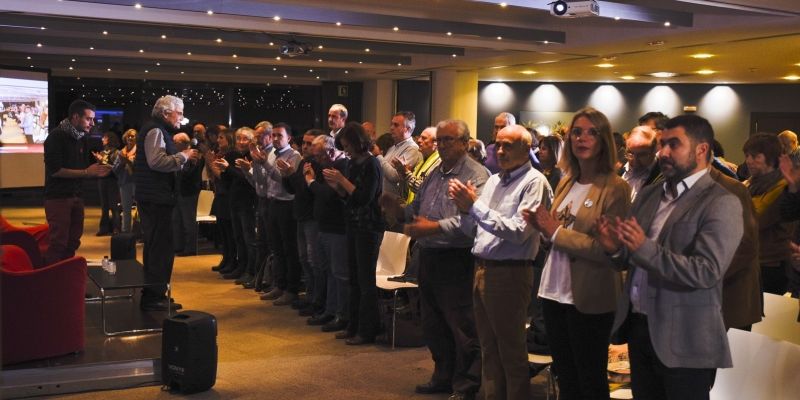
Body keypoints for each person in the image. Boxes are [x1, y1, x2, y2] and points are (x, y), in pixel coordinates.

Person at [598, 114, 743, 400]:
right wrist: (614, 248)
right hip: (641, 327)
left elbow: (706, 271)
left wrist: (643, 248)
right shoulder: (651, 194)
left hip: (685, 337)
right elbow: (628, 258)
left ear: (701, 149)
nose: (662, 152)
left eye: (673, 144)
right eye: (661, 144)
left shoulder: (721, 201)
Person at [524, 108, 630, 400]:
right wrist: (543, 230)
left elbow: (607, 250)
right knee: (566, 375)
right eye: (577, 132)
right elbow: (557, 232)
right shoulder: (567, 180)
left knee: (589, 378)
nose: (582, 138)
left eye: (591, 132)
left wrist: (556, 231)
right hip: (554, 289)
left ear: (603, 140)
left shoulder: (615, 187)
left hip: (588, 294)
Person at [388, 119, 488, 400]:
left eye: (448, 140)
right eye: (439, 140)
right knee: (433, 323)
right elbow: (417, 209)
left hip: (457, 258)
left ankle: (467, 384)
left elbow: (472, 221)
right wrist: (398, 211)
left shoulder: (476, 175)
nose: (441, 145)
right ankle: (442, 376)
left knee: (462, 325)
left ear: (465, 143)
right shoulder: (434, 174)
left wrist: (434, 227)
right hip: (429, 255)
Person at [450, 124, 552, 400]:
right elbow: (474, 230)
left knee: (511, 351)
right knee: (488, 349)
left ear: (526, 149)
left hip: (510, 273)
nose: (501, 151)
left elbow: (519, 232)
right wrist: (464, 211)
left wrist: (475, 206)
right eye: (498, 145)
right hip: (482, 268)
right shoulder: (494, 180)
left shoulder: (534, 182)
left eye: (509, 145)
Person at [322, 122, 385, 345]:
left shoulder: (372, 164)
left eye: (348, 145)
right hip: (353, 224)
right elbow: (349, 199)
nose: (346, 150)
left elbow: (364, 198)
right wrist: (338, 187)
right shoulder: (352, 164)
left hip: (368, 227)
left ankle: (367, 331)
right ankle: (353, 325)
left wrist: (342, 182)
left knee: (366, 282)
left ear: (358, 142)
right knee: (353, 279)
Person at [134, 95, 198, 312]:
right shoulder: (156, 131)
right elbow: (157, 162)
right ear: (165, 113)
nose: (181, 117)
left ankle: (155, 293)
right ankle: (154, 296)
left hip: (153, 197)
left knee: (156, 247)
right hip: (156, 198)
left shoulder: (156, 129)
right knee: (159, 249)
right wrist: (183, 156)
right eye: (178, 113)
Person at [43, 100, 112, 264]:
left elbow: (83, 166)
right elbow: (56, 171)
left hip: (77, 195)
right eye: (88, 119)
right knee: (58, 242)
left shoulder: (81, 138)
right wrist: (87, 172)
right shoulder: (56, 136)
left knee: (73, 241)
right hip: (58, 197)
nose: (92, 123)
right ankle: (49, 279)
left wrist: (101, 166)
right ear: (75, 117)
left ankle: (65, 276)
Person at [253, 123, 303, 306]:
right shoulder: (272, 153)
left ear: (288, 138)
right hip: (272, 202)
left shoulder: (295, 156)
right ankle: (279, 285)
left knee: (289, 249)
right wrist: (257, 164)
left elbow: (285, 182)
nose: (275, 139)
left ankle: (291, 289)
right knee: (276, 248)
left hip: (287, 204)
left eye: (279, 136)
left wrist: (264, 163)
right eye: (273, 135)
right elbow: (261, 181)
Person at [306, 135, 350, 332]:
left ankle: (341, 314)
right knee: (328, 271)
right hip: (324, 226)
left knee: (339, 274)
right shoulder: (326, 164)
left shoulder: (341, 166)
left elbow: (328, 194)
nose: (316, 160)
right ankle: (330, 310)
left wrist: (310, 181)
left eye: (319, 156)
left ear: (330, 152)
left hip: (337, 228)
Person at [743, 133, 796, 295]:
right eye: (747, 156)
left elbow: (756, 220)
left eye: (755, 156)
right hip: (751, 260)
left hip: (772, 264)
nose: (749, 161)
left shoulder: (784, 187)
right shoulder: (750, 184)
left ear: (771, 158)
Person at [172, 132, 205, 256]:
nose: (173, 145)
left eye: (175, 143)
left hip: (189, 191)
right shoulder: (178, 155)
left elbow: (189, 173)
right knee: (177, 220)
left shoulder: (194, 154)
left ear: (183, 143)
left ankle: (190, 248)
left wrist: (177, 166)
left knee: (188, 222)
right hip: (178, 191)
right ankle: (178, 246)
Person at [620, 125, 662, 201]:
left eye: (642, 155)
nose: (635, 161)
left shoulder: (663, 177)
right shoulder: (617, 170)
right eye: (630, 153)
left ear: (654, 151)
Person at [94, 131, 122, 236]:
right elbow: (100, 167)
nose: (102, 139)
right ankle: (103, 228)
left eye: (104, 138)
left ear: (110, 139)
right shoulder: (102, 152)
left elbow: (116, 168)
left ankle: (116, 228)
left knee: (114, 206)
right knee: (104, 206)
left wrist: (104, 162)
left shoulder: (116, 152)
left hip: (112, 181)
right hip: (102, 180)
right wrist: (98, 160)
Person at [114, 129, 137, 233]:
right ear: (125, 138)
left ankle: (140, 233)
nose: (130, 138)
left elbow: (141, 168)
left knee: (141, 210)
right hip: (124, 183)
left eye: (132, 136)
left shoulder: (140, 151)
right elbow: (114, 169)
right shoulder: (121, 152)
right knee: (126, 210)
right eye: (128, 136)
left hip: (138, 183)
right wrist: (122, 163)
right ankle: (126, 234)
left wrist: (128, 161)